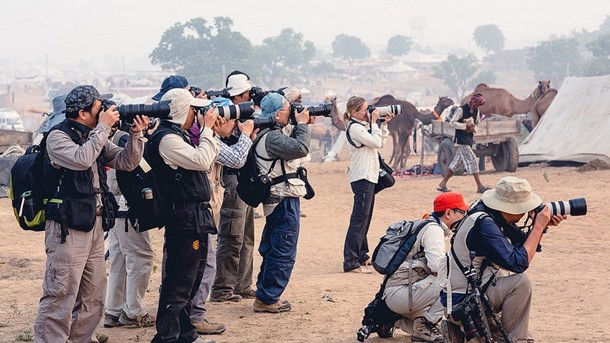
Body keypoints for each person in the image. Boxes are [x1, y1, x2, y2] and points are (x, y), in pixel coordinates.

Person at [34, 85, 147, 342]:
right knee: (60, 293)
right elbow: (82, 159)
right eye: (100, 108)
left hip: (94, 225)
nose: (105, 112)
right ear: (83, 113)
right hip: (67, 228)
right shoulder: (57, 137)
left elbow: (126, 162)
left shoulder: (94, 136)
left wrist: (136, 134)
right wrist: (104, 127)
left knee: (94, 295)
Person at [440, 176, 566, 342]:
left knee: (527, 335)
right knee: (520, 283)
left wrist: (541, 229)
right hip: (464, 302)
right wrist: (538, 226)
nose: (525, 212)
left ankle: (488, 332)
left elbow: (523, 243)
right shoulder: (485, 223)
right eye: (523, 207)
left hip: (466, 294)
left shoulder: (488, 212)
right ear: (511, 207)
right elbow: (519, 262)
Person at [148, 88, 219, 343]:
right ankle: (167, 338)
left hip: (195, 216)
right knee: (179, 282)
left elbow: (207, 157)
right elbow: (203, 160)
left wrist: (208, 131)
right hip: (183, 218)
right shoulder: (167, 138)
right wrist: (208, 129)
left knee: (192, 280)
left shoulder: (180, 135)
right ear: (181, 111)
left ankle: (185, 336)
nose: (197, 114)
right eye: (193, 109)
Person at [188, 96, 255, 335]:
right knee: (203, 264)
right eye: (232, 120)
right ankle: (193, 316)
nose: (235, 125)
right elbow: (236, 159)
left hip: (201, 209)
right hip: (197, 211)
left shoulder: (204, 136)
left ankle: (189, 314)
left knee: (196, 264)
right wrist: (246, 135)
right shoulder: (203, 138)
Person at [252, 92, 311, 313]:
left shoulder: (269, 134)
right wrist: (303, 124)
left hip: (279, 198)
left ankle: (265, 294)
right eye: (288, 109)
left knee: (274, 248)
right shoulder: (272, 138)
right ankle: (267, 299)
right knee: (283, 250)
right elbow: (301, 148)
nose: (292, 112)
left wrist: (298, 124)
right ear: (277, 114)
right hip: (282, 199)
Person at [383, 192, 468, 343]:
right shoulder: (434, 230)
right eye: (462, 212)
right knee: (453, 284)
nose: (465, 216)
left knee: (441, 310)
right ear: (449, 213)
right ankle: (425, 326)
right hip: (401, 293)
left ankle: (397, 320)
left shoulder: (426, 223)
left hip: (396, 291)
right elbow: (437, 266)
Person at [103, 95, 156, 329]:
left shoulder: (106, 138)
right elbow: (143, 166)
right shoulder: (124, 139)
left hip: (113, 209)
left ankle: (113, 310)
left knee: (120, 260)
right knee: (141, 258)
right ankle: (133, 310)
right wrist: (145, 137)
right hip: (126, 207)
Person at [211, 71, 258, 302]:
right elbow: (234, 156)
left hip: (244, 178)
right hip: (230, 178)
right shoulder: (222, 111)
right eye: (248, 94)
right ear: (241, 95)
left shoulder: (240, 117)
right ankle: (222, 288)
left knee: (247, 235)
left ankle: (243, 284)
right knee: (232, 234)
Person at [342, 96, 394, 274]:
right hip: (361, 177)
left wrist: (383, 125)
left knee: (366, 217)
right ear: (354, 112)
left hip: (369, 175)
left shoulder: (364, 126)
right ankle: (350, 261)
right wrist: (374, 122)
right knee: (358, 219)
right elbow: (376, 142)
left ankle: (362, 255)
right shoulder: (355, 128)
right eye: (364, 109)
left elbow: (380, 142)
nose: (368, 111)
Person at [437, 93, 491, 194]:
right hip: (461, 140)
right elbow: (452, 122)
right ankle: (479, 186)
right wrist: (465, 126)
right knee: (473, 161)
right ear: (474, 102)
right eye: (478, 104)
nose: (478, 106)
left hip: (468, 139)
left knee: (456, 164)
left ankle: (443, 183)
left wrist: (473, 129)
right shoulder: (461, 110)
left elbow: (477, 124)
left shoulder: (476, 111)